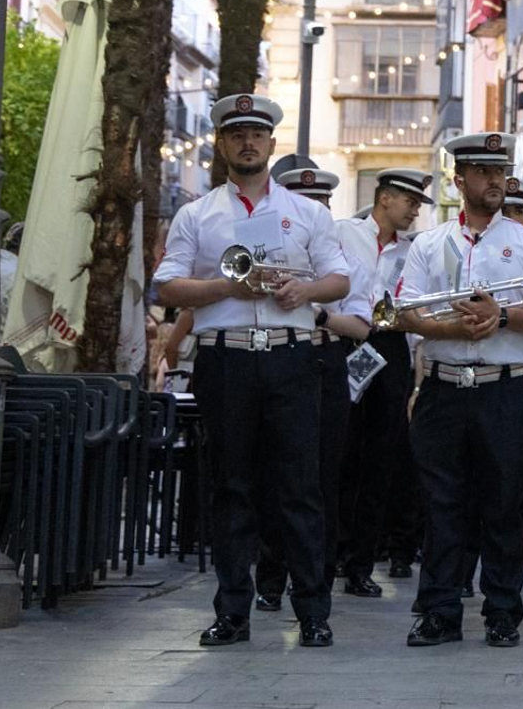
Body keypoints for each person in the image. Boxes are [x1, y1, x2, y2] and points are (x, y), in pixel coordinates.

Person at [153, 94, 351, 649]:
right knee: (231, 486)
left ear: (270, 144)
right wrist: (227, 286)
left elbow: (340, 280)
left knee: (300, 489)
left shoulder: (308, 212)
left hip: (291, 353)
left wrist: (305, 289)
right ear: (221, 144)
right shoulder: (198, 214)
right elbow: (167, 286)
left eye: (256, 134)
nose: (247, 142)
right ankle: (232, 613)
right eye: (236, 134)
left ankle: (313, 612)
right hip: (227, 355)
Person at [397, 132, 523, 648]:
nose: (496, 180)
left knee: (505, 503)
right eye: (484, 171)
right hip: (445, 388)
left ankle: (502, 610)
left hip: (505, 389)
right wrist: (451, 330)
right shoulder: (429, 242)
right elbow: (404, 311)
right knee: (442, 502)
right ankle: (440, 610)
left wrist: (502, 317)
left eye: (501, 171)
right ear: (460, 178)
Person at [254, 166, 373, 611]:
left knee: (321, 477)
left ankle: (316, 581)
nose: (311, 213)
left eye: (319, 204)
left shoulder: (349, 264)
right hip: (275, 357)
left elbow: (360, 328)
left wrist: (316, 312)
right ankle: (269, 579)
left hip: (325, 359)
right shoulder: (264, 258)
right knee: (273, 472)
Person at [336, 168, 433, 592]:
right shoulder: (344, 234)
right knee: (337, 453)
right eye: (409, 202)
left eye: (417, 204)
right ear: (385, 198)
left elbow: (414, 319)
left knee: (380, 460)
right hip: (343, 340)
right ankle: (329, 554)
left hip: (389, 346)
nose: (414, 211)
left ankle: (360, 564)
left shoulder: (413, 251)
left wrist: (415, 384)